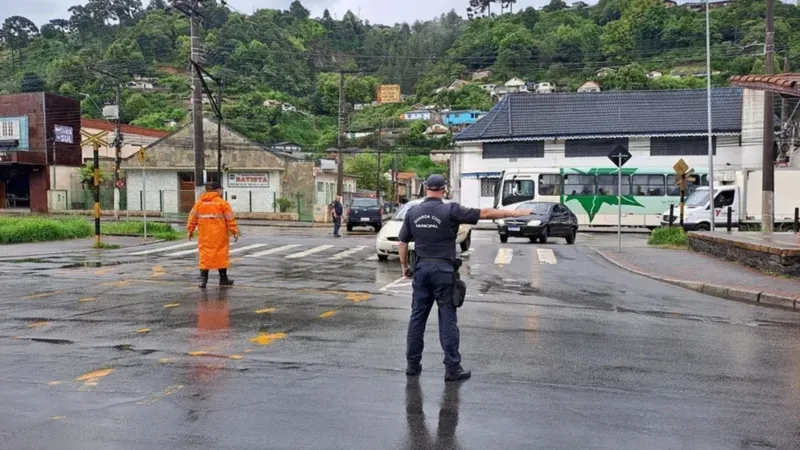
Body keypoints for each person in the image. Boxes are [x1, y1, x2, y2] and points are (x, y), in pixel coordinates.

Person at [398, 174, 532, 381]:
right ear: (444, 189)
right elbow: (485, 213)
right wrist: (515, 212)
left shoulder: (413, 211)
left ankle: (412, 365)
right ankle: (452, 368)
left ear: (426, 189)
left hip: (422, 268)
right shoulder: (451, 209)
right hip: (443, 270)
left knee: (417, 318)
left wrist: (404, 267)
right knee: (447, 319)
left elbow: (402, 243)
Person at [187, 182, 240, 289]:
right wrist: (234, 232)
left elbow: (192, 218)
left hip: (205, 236)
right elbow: (230, 219)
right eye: (221, 190)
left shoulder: (199, 203)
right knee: (221, 256)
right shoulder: (222, 203)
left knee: (205, 257)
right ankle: (223, 279)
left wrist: (190, 230)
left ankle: (203, 281)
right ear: (218, 190)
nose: (221, 192)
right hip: (219, 236)